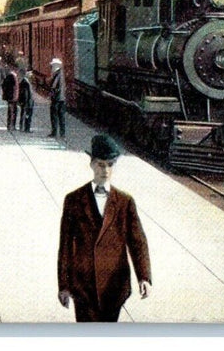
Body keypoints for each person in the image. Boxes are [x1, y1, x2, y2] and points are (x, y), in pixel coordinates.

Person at [57, 134, 151, 322]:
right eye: (101, 164)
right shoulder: (74, 200)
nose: (105, 170)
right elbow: (65, 246)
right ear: (91, 164)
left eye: (110, 164)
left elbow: (137, 241)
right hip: (83, 287)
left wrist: (144, 277)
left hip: (114, 287)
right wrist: (64, 285)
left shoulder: (125, 202)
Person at [49, 57, 66, 138]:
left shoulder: (57, 74)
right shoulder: (61, 73)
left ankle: (54, 132)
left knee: (54, 116)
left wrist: (51, 94)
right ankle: (62, 133)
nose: (51, 67)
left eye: (52, 66)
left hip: (56, 99)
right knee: (61, 116)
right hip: (62, 98)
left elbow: (53, 86)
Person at [1, 63, 19, 130]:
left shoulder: (14, 76)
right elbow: (4, 86)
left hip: (14, 97)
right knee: (11, 112)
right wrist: (9, 95)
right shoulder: (10, 76)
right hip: (11, 97)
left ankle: (12, 125)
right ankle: (10, 125)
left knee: (14, 112)